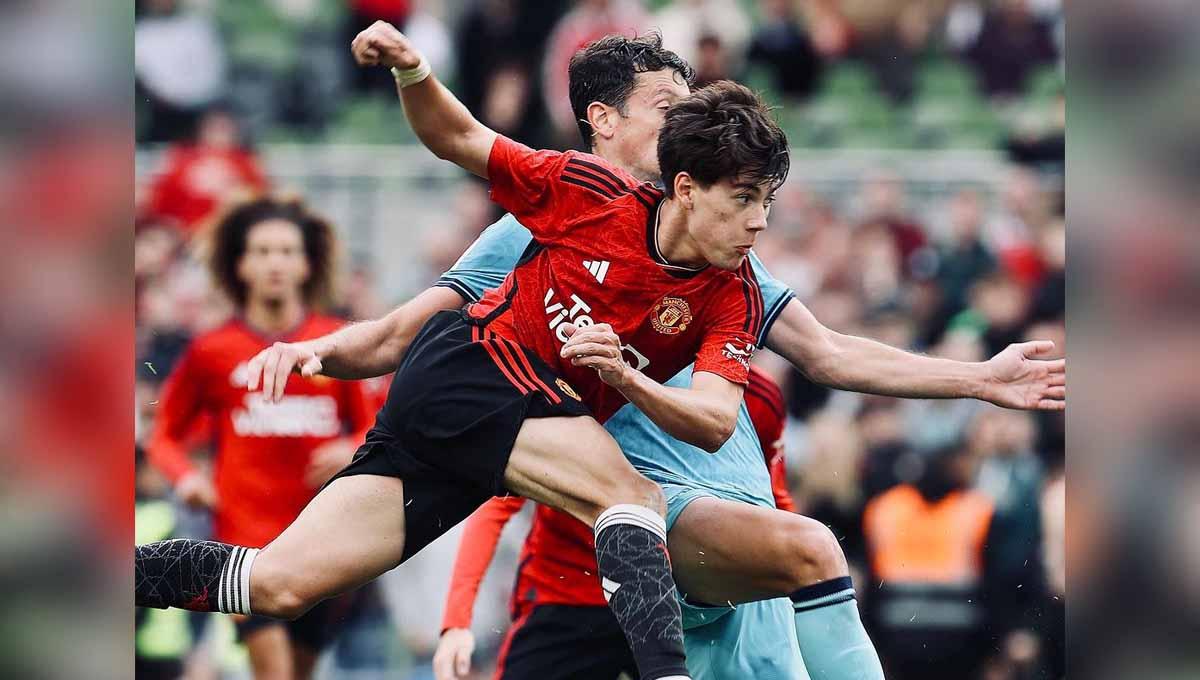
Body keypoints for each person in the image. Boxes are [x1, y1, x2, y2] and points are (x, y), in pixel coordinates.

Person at [228, 31, 1063, 680]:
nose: (687, 121)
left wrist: (979, 379)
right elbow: (407, 335)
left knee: (801, 559)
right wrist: (316, 352)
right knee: (282, 586)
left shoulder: (726, 249)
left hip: (719, 533)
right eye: (668, 105)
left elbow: (829, 352)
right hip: (622, 540)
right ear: (606, 121)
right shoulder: (537, 224)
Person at [136, 21, 799, 680]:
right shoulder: (585, 191)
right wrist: (411, 69)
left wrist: (628, 380)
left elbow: (732, 408)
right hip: (477, 369)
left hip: (471, 423)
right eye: (746, 199)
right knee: (630, 498)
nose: (759, 220)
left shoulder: (727, 288)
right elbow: (458, 143)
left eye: (763, 201)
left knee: (276, 582)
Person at [433, 366, 803, 680]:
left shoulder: (757, 397)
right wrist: (457, 620)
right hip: (567, 599)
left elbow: (770, 500)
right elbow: (497, 506)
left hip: (678, 603)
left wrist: (800, 583)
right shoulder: (582, 376)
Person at [143, 195, 378, 679]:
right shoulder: (212, 351)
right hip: (244, 546)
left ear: (307, 264)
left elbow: (378, 430)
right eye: (263, 251)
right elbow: (164, 434)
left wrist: (349, 448)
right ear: (241, 264)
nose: (276, 263)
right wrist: (186, 477)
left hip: (323, 543)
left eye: (288, 251)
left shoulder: (335, 343)